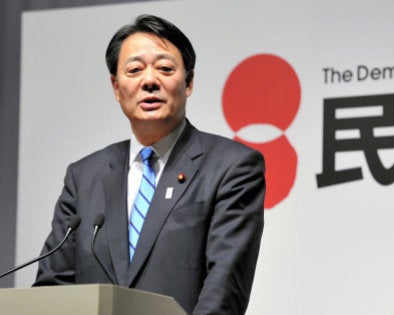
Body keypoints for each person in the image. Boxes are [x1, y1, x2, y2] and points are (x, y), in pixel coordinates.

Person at [34, 14, 265, 315]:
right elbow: (53, 286)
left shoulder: (232, 167)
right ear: (116, 87)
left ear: (189, 82)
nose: (150, 81)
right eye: (134, 70)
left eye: (166, 69)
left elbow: (225, 288)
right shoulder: (84, 176)